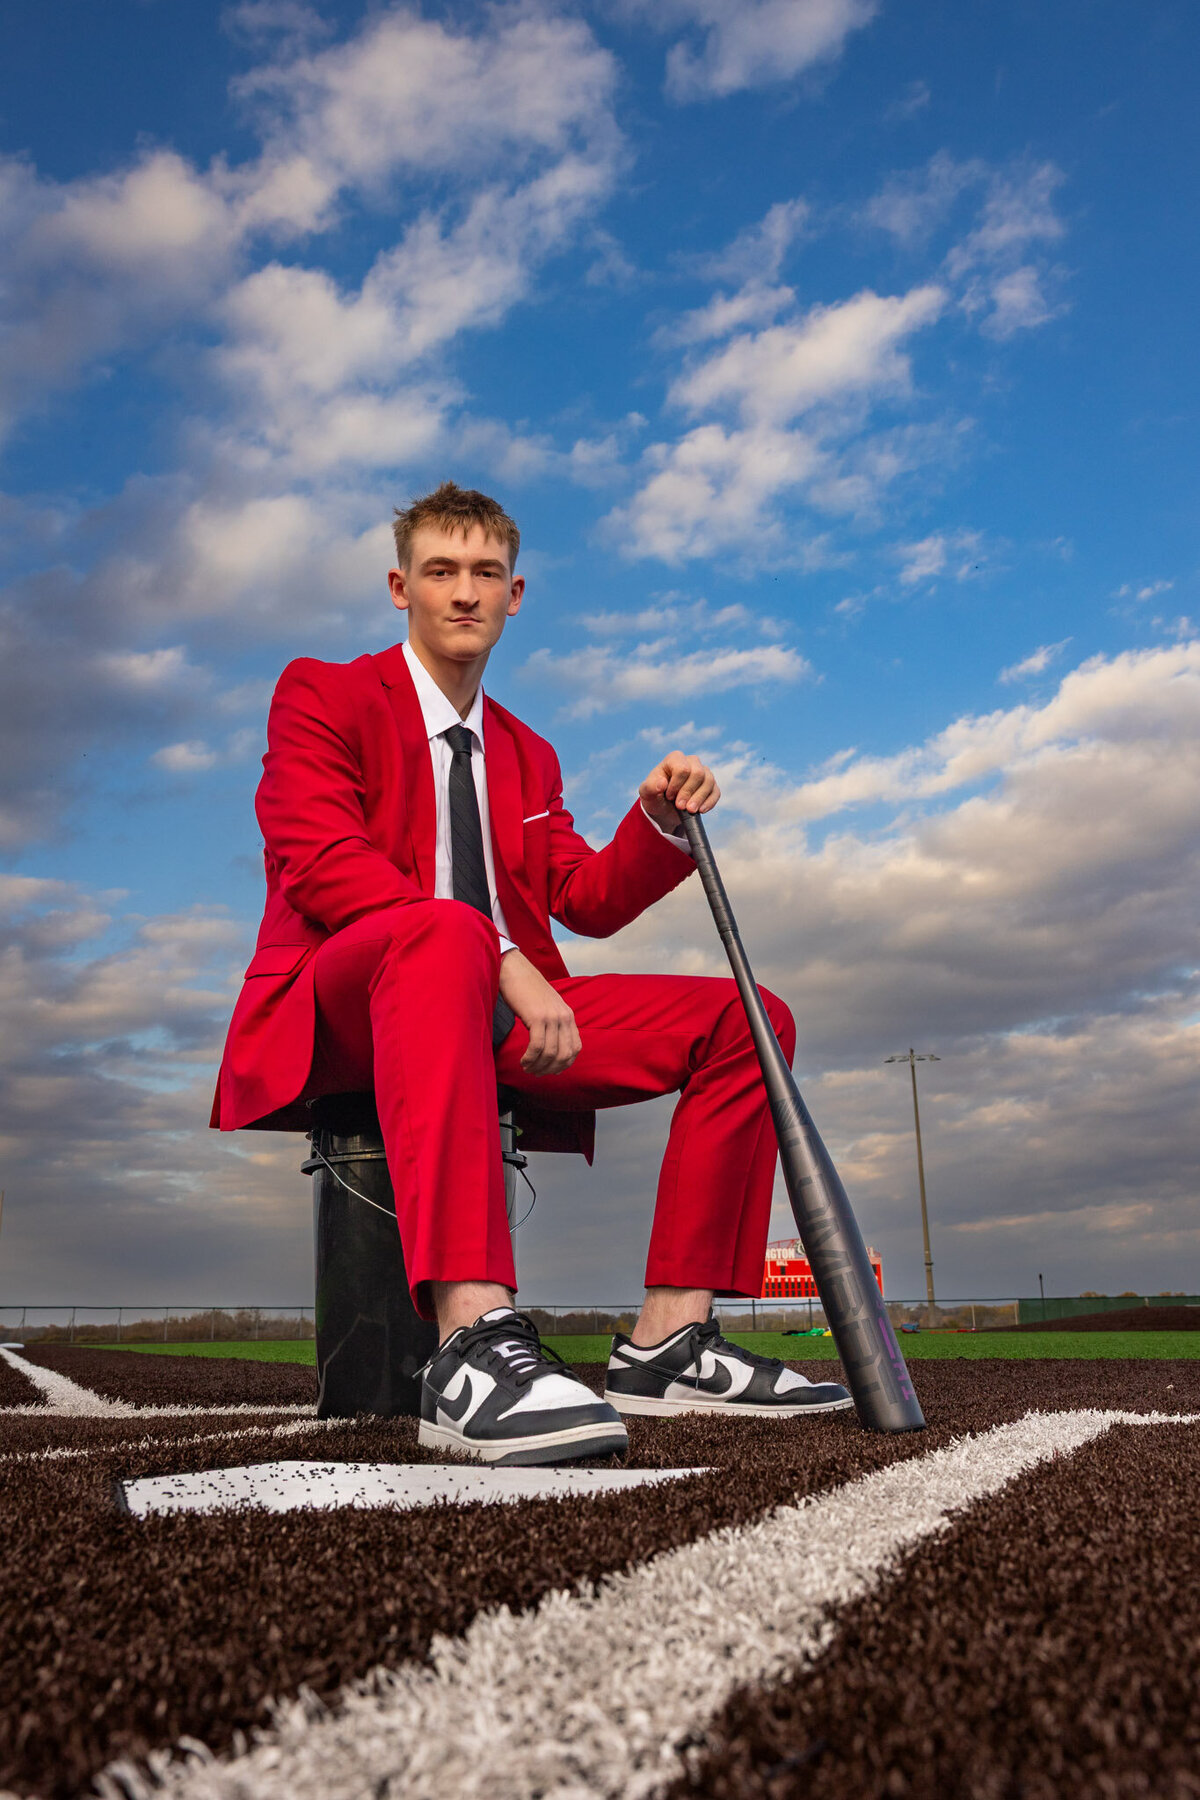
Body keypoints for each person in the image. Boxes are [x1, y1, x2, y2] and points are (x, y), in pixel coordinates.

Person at [211, 482, 851, 1465]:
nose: (464, 592)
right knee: (445, 937)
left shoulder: (527, 753)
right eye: (441, 572)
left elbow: (582, 897)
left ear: (518, 594)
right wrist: (500, 958)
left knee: (749, 1018)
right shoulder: (322, 693)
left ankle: (669, 1339)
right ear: (400, 588)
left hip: (493, 1016)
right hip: (351, 1006)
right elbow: (319, 859)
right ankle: (471, 1347)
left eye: (486, 574)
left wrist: (657, 824)